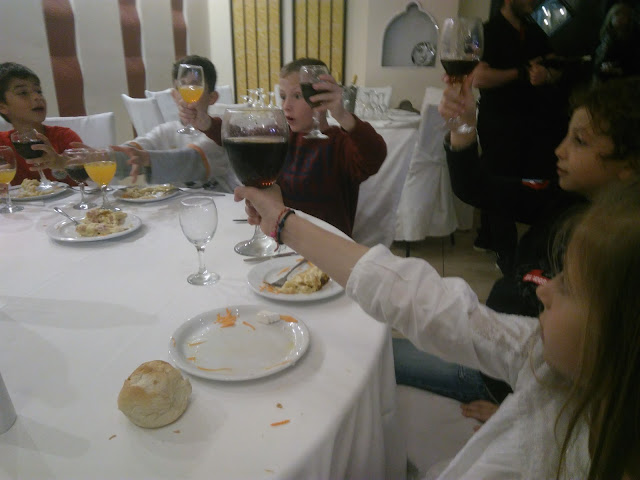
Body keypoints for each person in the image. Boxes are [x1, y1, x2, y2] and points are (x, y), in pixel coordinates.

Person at [235, 170, 640, 478]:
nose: (545, 291)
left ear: (624, 335)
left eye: (569, 287)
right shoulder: (555, 365)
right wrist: (282, 221)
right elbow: (428, 304)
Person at [394, 74, 640, 426]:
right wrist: (464, 124)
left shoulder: (617, 255)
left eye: (580, 141)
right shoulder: (560, 198)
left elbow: (605, 369)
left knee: (379, 357)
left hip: (500, 378)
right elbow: (475, 186)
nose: (560, 150)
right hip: (491, 353)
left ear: (629, 165)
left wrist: (519, 410)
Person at [177, 58, 386, 237]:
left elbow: (374, 155)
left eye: (297, 96)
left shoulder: (340, 144)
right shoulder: (281, 136)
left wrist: (342, 115)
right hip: (283, 242)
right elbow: (240, 137)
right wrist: (205, 122)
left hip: (326, 250)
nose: (286, 106)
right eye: (284, 96)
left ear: (321, 97)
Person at [472, 0, 568, 271]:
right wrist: (522, 73)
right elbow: (478, 77)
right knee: (498, 179)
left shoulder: (535, 30)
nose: (533, 1)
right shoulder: (488, 31)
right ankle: (506, 255)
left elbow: (556, 65)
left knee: (534, 183)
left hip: (535, 122)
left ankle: (492, 239)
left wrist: (546, 74)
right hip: (499, 122)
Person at [108, 55, 239, 191]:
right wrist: (102, 156)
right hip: (175, 203)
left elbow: (191, 161)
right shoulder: (164, 131)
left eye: (195, 84)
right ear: (174, 95)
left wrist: (147, 159)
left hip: (219, 201)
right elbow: (133, 151)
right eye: (182, 84)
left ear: (212, 98)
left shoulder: (220, 132)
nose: (187, 90)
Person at [0, 62, 82, 186]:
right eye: (23, 93)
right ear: (2, 107)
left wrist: (61, 162)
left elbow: (89, 174)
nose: (37, 97)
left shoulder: (64, 136)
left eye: (38, 91)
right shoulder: (2, 145)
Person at [592, 2, 640, 85]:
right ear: (611, 17)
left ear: (628, 19)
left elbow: (634, 64)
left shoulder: (633, 37)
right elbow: (598, 60)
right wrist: (604, 65)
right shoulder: (607, 37)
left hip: (627, 76)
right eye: (617, 14)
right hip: (608, 76)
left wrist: (618, 70)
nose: (620, 18)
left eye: (623, 15)